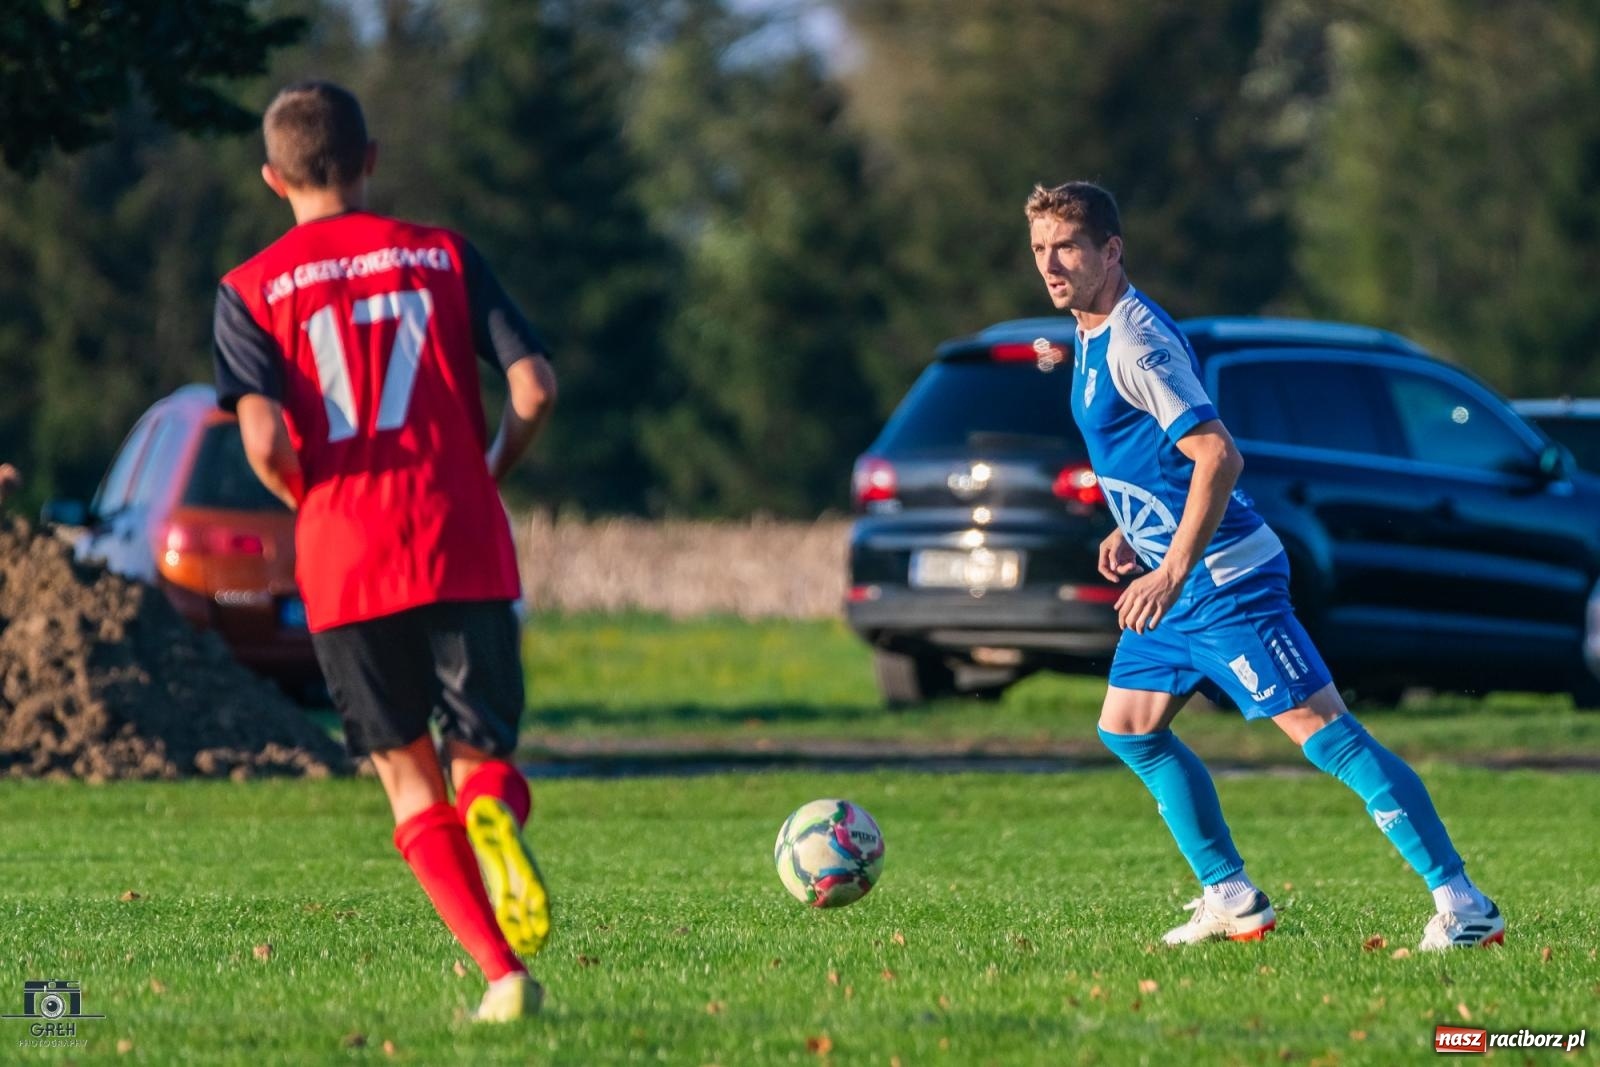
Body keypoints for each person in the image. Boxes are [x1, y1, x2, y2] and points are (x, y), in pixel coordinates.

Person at [1025, 181, 1502, 951]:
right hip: (1176, 583)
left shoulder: (1135, 339)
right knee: (1130, 728)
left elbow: (1219, 454)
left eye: (1068, 248)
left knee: (1327, 734)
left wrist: (1172, 565)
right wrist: (1130, 527)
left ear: (1111, 251)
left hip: (1223, 582)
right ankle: (1232, 897)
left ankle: (1464, 901)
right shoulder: (1087, 331)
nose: (1051, 264)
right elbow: (1148, 455)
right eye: (1042, 249)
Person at [213, 81, 558, 1021]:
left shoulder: (247, 291)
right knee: (478, 753)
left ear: (272, 179)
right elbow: (534, 386)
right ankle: (494, 810)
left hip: (346, 554)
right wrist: (488, 467)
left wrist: (314, 500)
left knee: (407, 776)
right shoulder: (443, 256)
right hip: (460, 531)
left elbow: (265, 443)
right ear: (370, 158)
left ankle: (502, 974)